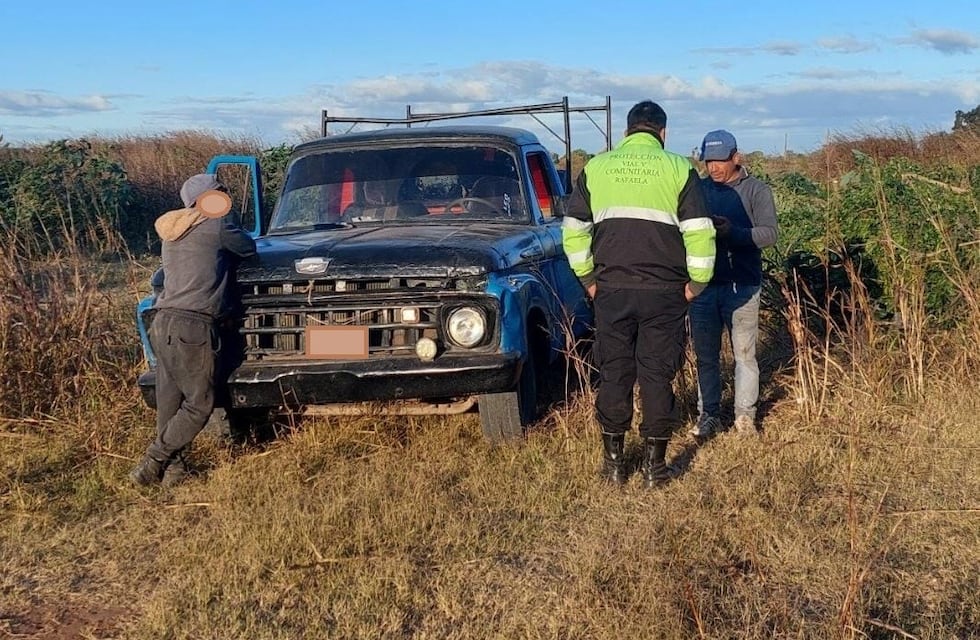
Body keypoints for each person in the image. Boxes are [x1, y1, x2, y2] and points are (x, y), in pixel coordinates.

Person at [562, 100, 716, 488]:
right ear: (662, 133)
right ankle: (655, 468)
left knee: (614, 373)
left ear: (627, 132)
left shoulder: (596, 168)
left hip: (610, 289)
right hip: (666, 291)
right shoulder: (680, 168)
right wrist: (697, 283)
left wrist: (588, 278)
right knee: (656, 374)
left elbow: (574, 229)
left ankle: (614, 466)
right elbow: (699, 230)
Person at [130, 174, 257, 487]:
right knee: (199, 404)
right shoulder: (215, 226)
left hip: (162, 321)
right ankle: (151, 463)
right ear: (206, 200)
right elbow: (248, 249)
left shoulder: (173, 231)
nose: (224, 200)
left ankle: (174, 472)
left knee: (170, 401)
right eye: (219, 195)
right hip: (194, 324)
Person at [688, 130, 778, 438]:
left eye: (720, 161)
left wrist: (733, 233)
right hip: (703, 287)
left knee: (744, 356)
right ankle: (708, 415)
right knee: (706, 357)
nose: (713, 168)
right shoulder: (697, 191)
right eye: (708, 161)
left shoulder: (757, 191)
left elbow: (769, 234)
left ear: (736, 158)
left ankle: (744, 418)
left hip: (743, 286)